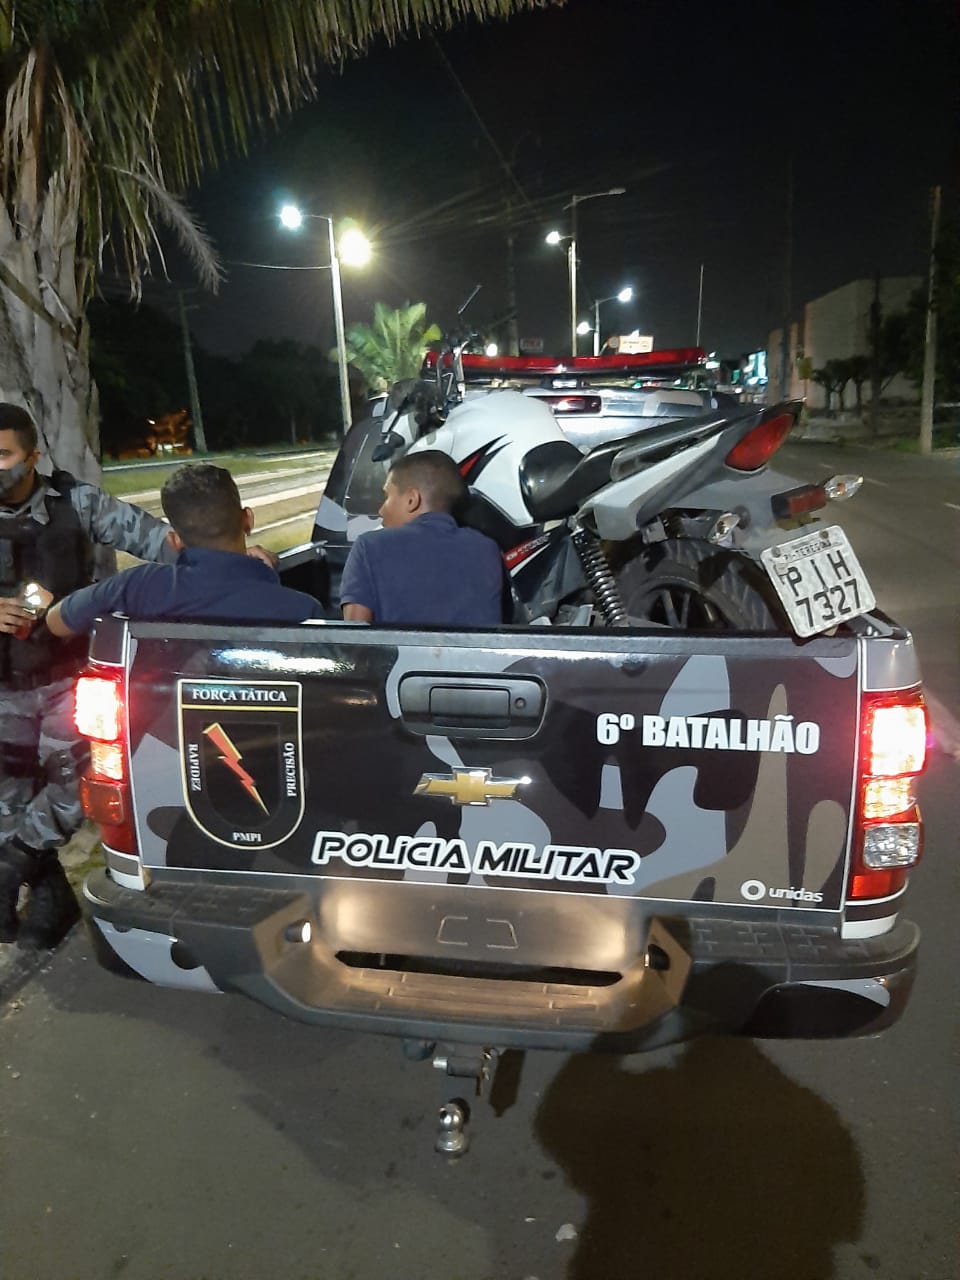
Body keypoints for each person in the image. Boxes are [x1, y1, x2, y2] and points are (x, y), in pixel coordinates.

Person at [0, 403, 177, 949]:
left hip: (70, 684)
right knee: (7, 805)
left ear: (32, 456)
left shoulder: (76, 503)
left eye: (3, 454)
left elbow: (158, 541)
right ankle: (50, 903)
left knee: (74, 789)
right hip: (4, 690)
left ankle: (10, 870)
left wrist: (223, 554)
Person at [47, 462, 327, 636]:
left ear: (174, 540)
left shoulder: (136, 586)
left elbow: (56, 622)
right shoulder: (303, 610)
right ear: (248, 520)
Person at [340, 450, 504, 627]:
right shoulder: (487, 549)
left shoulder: (369, 547)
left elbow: (353, 640)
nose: (381, 510)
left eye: (387, 496)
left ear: (412, 499)